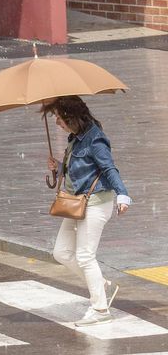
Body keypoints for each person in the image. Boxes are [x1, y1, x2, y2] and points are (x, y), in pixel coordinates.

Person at [42, 96, 131, 327]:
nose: (57, 123)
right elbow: (82, 169)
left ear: (71, 117)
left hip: (95, 204)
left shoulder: (95, 139)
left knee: (84, 256)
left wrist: (122, 194)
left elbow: (109, 168)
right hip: (77, 202)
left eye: (59, 118)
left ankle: (100, 309)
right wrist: (60, 166)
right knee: (61, 252)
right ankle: (100, 285)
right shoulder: (75, 138)